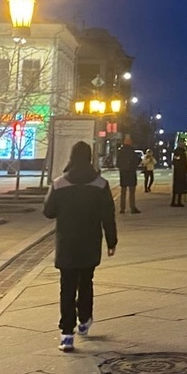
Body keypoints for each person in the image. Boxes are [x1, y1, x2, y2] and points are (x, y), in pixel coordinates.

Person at [43, 141, 117, 353]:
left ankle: (67, 334)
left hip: (67, 243)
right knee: (86, 281)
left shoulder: (59, 183)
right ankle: (84, 319)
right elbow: (108, 216)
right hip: (90, 243)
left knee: (66, 287)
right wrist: (112, 241)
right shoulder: (101, 184)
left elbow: (48, 212)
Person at [116, 137, 140, 214]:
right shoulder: (131, 151)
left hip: (123, 173)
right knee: (132, 191)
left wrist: (122, 168)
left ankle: (122, 208)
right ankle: (132, 207)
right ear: (130, 142)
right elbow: (136, 160)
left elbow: (117, 163)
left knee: (123, 191)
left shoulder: (121, 151)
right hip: (131, 173)